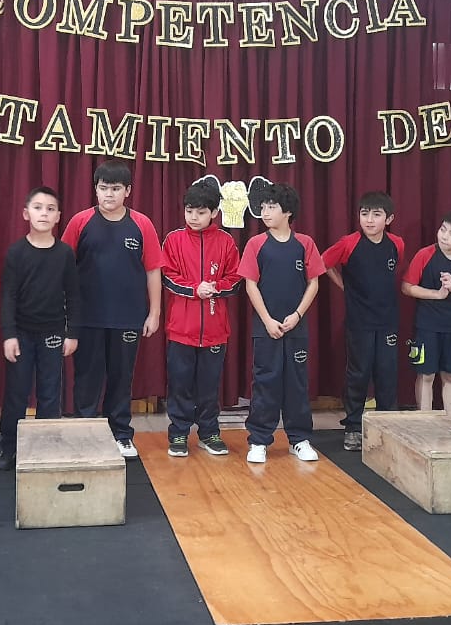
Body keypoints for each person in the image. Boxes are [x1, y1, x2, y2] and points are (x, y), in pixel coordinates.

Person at [62, 160, 163, 458]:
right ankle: (85, 433)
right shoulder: (80, 221)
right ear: (95, 189)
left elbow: (153, 270)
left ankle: (120, 434)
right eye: (103, 188)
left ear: (128, 191)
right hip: (87, 317)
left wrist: (154, 312)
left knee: (121, 378)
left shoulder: (142, 224)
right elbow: (63, 267)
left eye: (116, 189)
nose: (109, 194)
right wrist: (65, 312)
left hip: (128, 317)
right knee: (87, 378)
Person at [238, 182, 326, 464]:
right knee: (265, 382)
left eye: (272, 207)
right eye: (263, 207)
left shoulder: (305, 244)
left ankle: (299, 439)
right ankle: (259, 440)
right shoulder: (256, 244)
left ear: (287, 211)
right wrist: (267, 320)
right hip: (266, 328)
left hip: (296, 328)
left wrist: (297, 315)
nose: (265, 212)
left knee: (297, 384)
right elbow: (250, 285)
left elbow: (314, 283)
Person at [0, 186, 81, 472]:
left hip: (53, 333)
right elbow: (8, 296)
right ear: (26, 213)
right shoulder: (16, 252)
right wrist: (9, 335)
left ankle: (47, 446)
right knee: (16, 393)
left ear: (58, 216)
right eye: (38, 207)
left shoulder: (64, 253)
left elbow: (73, 295)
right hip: (21, 333)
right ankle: (10, 447)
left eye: (50, 209)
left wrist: (72, 333)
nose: (44, 213)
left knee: (50, 393)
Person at [161, 182, 243, 457]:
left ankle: (209, 433)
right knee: (180, 384)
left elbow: (236, 279)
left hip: (215, 330)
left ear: (214, 212)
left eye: (201, 212)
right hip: (180, 329)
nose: (194, 217)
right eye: (189, 211)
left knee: (209, 386)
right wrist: (194, 289)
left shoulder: (226, 242)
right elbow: (167, 276)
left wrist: (215, 287)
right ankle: (179, 433)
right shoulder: (173, 240)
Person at [324, 190, 406, 451]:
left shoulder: (397, 244)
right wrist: (345, 287)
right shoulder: (349, 243)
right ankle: (353, 427)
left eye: (376, 214)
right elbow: (324, 263)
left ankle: (386, 427)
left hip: (388, 320)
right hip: (359, 321)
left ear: (389, 219)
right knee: (358, 374)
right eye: (364, 213)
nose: (369, 220)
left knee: (387, 373)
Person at [402, 210, 451, 419]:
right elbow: (407, 287)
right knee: (426, 374)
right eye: (443, 229)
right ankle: (425, 421)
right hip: (427, 325)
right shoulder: (425, 254)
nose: (444, 236)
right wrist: (436, 294)